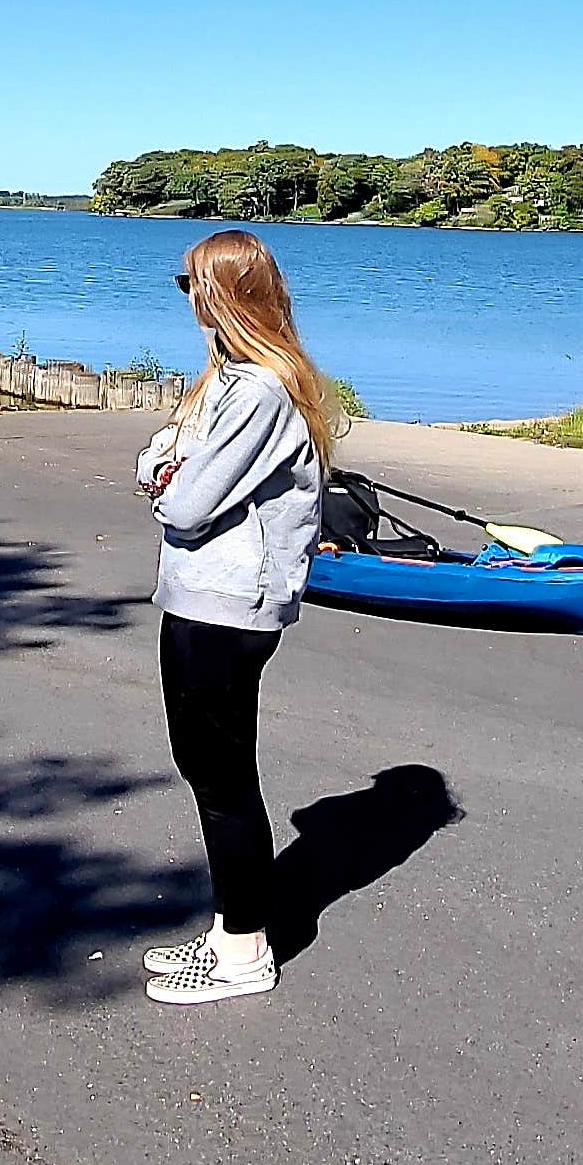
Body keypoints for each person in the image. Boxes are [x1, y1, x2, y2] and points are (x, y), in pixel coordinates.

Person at [133, 229, 336, 1006]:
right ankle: (228, 931)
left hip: (228, 607)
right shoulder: (227, 379)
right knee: (205, 769)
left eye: (192, 282)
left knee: (222, 779)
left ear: (224, 292)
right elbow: (165, 462)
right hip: (198, 597)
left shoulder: (258, 392)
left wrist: (167, 477)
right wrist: (166, 468)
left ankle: (246, 952)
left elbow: (185, 503)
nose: (186, 295)